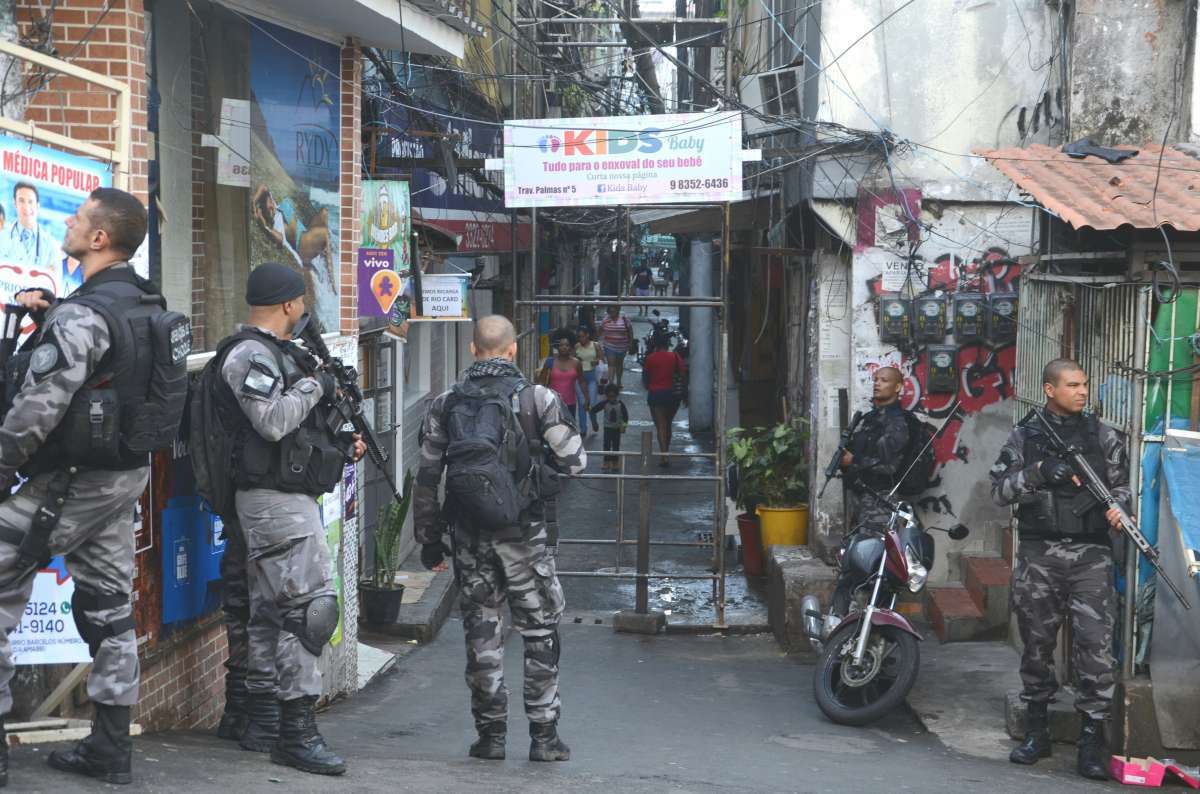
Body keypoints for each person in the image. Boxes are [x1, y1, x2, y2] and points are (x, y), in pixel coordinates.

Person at [0, 188, 186, 786]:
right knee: (109, 611)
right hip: (121, 481)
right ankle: (110, 747)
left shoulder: (84, 315)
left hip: (69, 484)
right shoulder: (141, 302)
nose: (71, 223)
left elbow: (37, 409)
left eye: (79, 218)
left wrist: (3, 469)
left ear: (99, 238)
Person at [211, 262, 366, 776]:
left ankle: (263, 721)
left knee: (272, 613)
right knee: (310, 611)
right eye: (302, 300)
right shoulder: (251, 354)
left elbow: (293, 435)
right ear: (288, 304)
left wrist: (339, 444)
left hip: (280, 498)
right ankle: (297, 734)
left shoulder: (276, 354)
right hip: (273, 503)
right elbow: (273, 421)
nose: (305, 309)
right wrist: (316, 386)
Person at [414, 315, 585, 763]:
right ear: (513, 350)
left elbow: (428, 476)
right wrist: (530, 489)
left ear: (473, 351)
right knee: (540, 631)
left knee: (482, 633)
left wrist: (428, 538)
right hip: (524, 536)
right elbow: (574, 461)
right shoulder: (536, 399)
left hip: (470, 537)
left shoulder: (445, 403)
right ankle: (544, 737)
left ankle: (490, 737)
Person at [990, 358, 1124, 781]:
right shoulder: (1025, 435)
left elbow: (1121, 486)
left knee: (1096, 649)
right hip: (1040, 554)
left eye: (1085, 384)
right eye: (1072, 385)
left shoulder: (1103, 435)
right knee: (1036, 643)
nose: (1082, 392)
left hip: (1092, 557)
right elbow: (999, 490)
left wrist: (1120, 508)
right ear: (1050, 390)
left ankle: (1091, 741)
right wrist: (1039, 471)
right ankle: (1036, 730)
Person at [831, 366, 912, 616]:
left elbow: (890, 467)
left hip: (881, 502)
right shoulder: (868, 419)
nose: (877, 383)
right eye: (875, 379)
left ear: (898, 387)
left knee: (875, 564)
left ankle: (876, 624)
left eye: (884, 380)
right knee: (852, 561)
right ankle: (846, 621)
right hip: (862, 499)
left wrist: (853, 462)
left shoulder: (898, 424)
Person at [641, 332, 686, 467]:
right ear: (668, 345)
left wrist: (650, 386)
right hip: (673, 394)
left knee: (661, 424)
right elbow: (683, 375)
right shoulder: (675, 356)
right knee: (668, 423)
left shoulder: (651, 358)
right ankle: (665, 452)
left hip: (656, 394)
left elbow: (646, 378)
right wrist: (685, 394)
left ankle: (664, 455)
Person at [539, 331, 589, 438]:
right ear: (558, 347)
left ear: (571, 347)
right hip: (552, 403)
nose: (564, 347)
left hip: (570, 404)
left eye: (566, 345)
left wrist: (586, 398)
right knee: (552, 431)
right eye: (561, 345)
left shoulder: (576, 363)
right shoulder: (550, 362)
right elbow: (541, 382)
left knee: (568, 432)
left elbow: (582, 381)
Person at [7, 182, 59, 271]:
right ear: (15, 203)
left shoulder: (51, 245)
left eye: (30, 201)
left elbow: (53, 280)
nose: (26, 207)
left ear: (38, 205)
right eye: (21, 201)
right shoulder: (3, 236)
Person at [590, 382, 628, 472]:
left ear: (617, 395)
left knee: (616, 445)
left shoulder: (620, 404)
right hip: (607, 428)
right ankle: (606, 461)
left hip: (617, 428)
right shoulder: (605, 403)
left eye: (613, 396)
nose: (611, 399)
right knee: (606, 445)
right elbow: (593, 411)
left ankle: (615, 462)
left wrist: (624, 426)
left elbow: (626, 417)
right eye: (609, 397)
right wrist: (594, 423)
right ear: (606, 396)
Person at [574, 326, 602, 434]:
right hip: (579, 377)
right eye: (579, 337)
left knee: (592, 403)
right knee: (582, 404)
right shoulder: (576, 347)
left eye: (582, 336)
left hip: (591, 377)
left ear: (587, 335)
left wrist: (596, 361)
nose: (581, 339)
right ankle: (583, 429)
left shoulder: (595, 345)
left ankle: (594, 421)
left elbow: (601, 358)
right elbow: (571, 359)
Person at [599, 305, 633, 388]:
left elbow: (630, 331)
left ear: (618, 311)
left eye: (613, 312)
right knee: (611, 364)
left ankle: (618, 381)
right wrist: (599, 342)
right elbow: (600, 331)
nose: (612, 313)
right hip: (609, 345)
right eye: (610, 312)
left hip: (622, 346)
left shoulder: (625, 320)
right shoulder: (605, 320)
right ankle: (611, 383)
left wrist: (630, 342)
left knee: (619, 364)